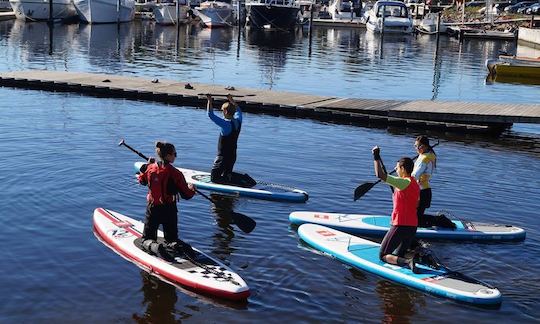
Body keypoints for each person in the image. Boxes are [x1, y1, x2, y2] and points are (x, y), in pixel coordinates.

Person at [137, 141, 196, 258]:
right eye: (175, 154)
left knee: (146, 239)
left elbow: (142, 180)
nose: (175, 156)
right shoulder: (176, 173)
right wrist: (192, 188)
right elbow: (187, 195)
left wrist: (147, 166)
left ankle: (155, 246)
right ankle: (180, 247)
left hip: (153, 209)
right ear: (168, 156)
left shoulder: (150, 168)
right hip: (170, 210)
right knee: (171, 238)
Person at [372, 146, 420, 273]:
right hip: (412, 225)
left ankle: (408, 262)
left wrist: (376, 157)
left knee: (383, 255)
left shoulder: (403, 182)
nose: (395, 169)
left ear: (403, 169)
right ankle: (422, 258)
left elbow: (380, 175)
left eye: (397, 167)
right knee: (398, 254)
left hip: (400, 225)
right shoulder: (415, 183)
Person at [412, 136, 455, 229]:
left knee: (416, 218)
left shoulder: (425, 158)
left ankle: (441, 220)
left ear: (424, 146)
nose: (415, 148)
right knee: (415, 217)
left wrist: (402, 175)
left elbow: (414, 176)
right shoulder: (427, 155)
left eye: (417, 146)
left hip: (422, 192)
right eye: (415, 146)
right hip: (424, 190)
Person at [207, 94, 242, 184]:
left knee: (214, 179)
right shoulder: (238, 121)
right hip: (233, 155)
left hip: (222, 158)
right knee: (226, 175)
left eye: (222, 111)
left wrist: (209, 100)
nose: (221, 112)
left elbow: (210, 115)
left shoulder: (225, 124)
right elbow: (238, 109)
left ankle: (239, 180)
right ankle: (230, 178)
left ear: (225, 111)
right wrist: (231, 100)